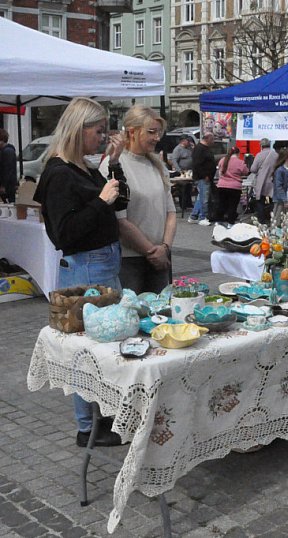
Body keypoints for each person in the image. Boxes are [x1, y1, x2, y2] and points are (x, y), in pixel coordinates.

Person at [32, 97, 127, 447]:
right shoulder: (58, 173)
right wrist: (100, 200)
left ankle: (101, 419)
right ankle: (87, 427)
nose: (103, 137)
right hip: (85, 268)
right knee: (86, 351)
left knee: (102, 347)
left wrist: (113, 165)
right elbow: (65, 235)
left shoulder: (81, 167)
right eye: (99, 130)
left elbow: (122, 201)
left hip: (100, 265)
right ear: (79, 128)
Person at [102, 104, 176, 294]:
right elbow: (121, 221)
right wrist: (152, 251)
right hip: (130, 260)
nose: (157, 138)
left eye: (158, 132)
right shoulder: (114, 164)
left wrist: (165, 247)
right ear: (133, 132)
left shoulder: (157, 164)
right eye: (151, 132)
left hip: (160, 257)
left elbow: (170, 212)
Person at [216, 146, 249, 225]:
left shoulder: (222, 160)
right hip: (234, 186)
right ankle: (230, 223)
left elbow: (219, 170)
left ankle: (219, 221)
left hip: (222, 185)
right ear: (238, 153)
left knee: (221, 204)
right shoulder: (240, 162)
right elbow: (246, 171)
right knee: (232, 205)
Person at [190, 133, 216, 226]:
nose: (213, 141)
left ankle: (193, 216)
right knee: (204, 198)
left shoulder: (205, 148)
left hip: (206, 177)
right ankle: (202, 217)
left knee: (200, 197)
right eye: (212, 139)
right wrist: (205, 175)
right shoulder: (199, 149)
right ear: (207, 139)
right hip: (202, 178)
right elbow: (197, 164)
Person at [250, 138, 277, 224]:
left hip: (261, 181)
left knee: (260, 201)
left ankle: (262, 221)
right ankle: (273, 219)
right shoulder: (275, 154)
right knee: (273, 201)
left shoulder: (259, 155)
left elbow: (253, 169)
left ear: (261, 145)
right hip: (273, 180)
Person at [272, 148, 288, 223]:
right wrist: (285, 200)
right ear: (286, 158)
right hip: (281, 199)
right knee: (277, 219)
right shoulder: (280, 170)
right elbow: (278, 186)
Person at [0, 128, 17, 203]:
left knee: (8, 204)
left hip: (8, 186)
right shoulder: (5, 151)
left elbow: (7, 170)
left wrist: (3, 186)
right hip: (8, 185)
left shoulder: (7, 151)